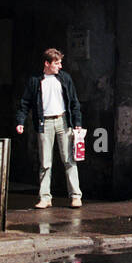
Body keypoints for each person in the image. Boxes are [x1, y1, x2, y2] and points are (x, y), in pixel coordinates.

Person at [16, 47, 83, 209]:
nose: (60, 66)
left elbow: (74, 101)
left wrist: (78, 123)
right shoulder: (35, 81)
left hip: (63, 121)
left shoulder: (65, 78)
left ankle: (76, 196)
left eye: (60, 63)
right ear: (47, 63)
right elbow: (25, 103)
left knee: (69, 159)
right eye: (57, 63)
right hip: (44, 123)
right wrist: (21, 121)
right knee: (45, 162)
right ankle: (45, 198)